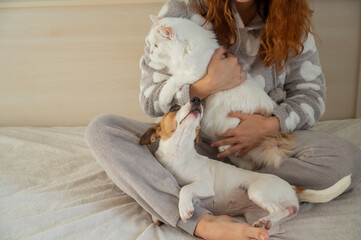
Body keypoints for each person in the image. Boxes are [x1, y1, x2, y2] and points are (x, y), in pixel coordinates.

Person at [85, 0, 361, 239]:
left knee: (347, 160)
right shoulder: (183, 10)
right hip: (196, 142)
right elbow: (149, 100)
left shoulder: (291, 21)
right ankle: (200, 221)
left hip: (265, 144)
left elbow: (311, 97)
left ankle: (240, 186)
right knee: (104, 130)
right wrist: (206, 85)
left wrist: (268, 125)